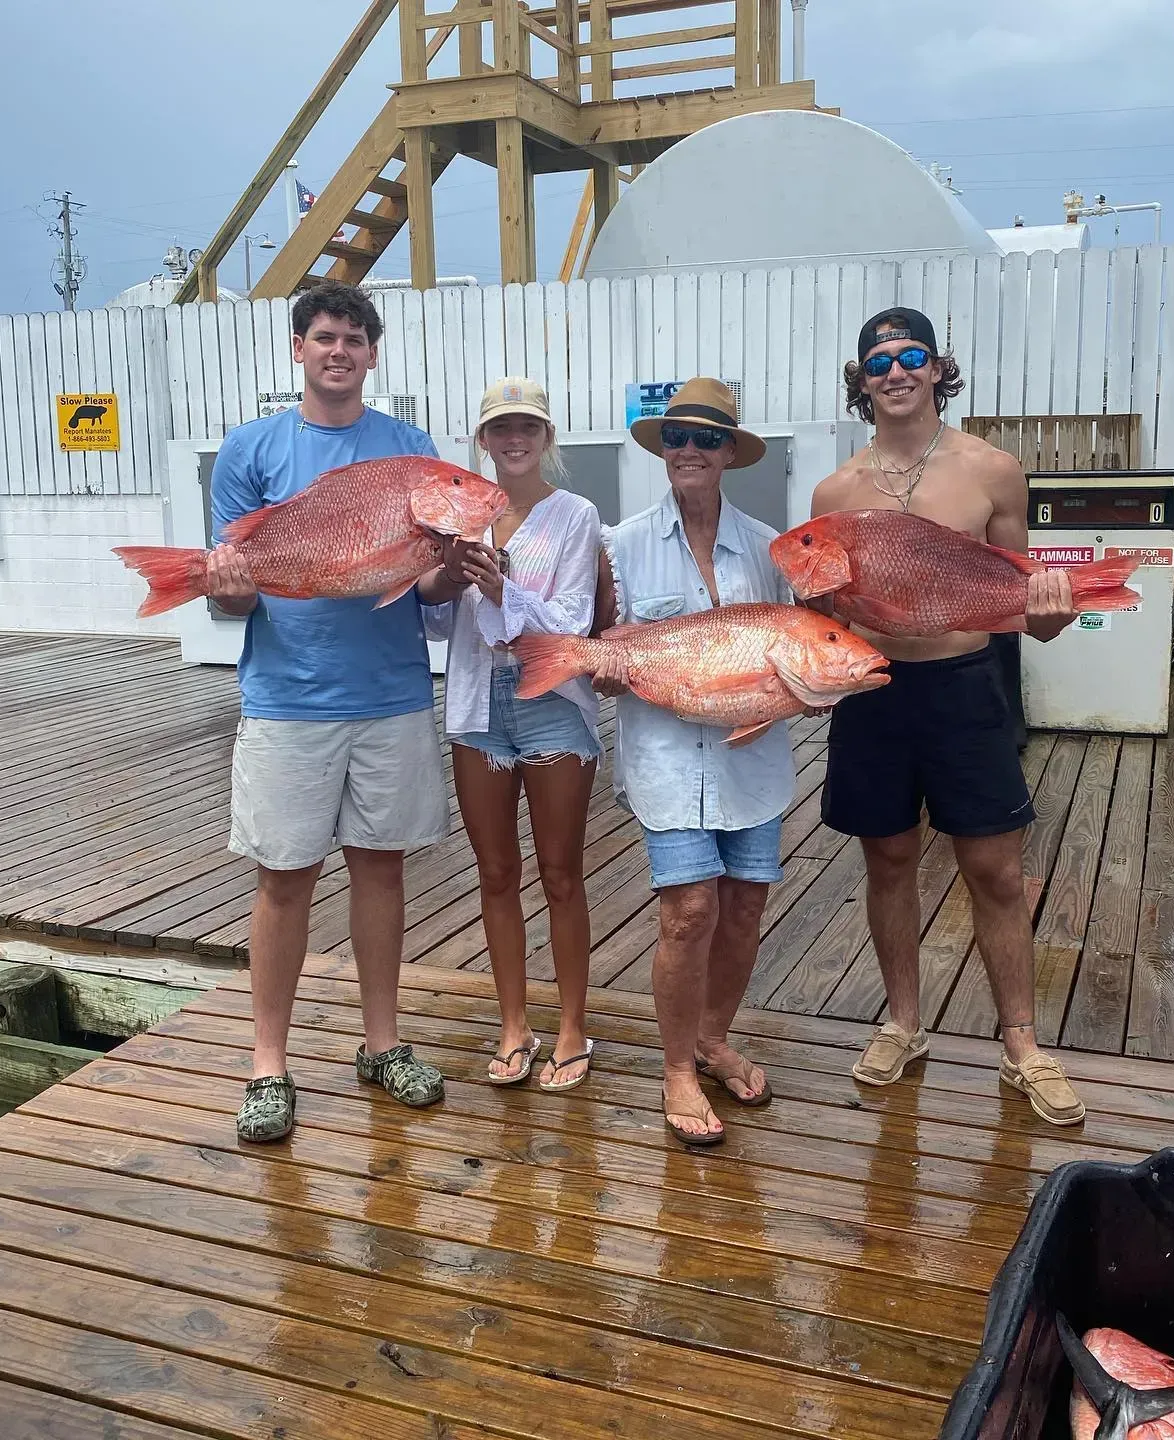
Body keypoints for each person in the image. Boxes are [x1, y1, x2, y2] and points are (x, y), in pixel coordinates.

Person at [809, 307, 1087, 1127]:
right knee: (888, 861)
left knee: (996, 871)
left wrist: (1055, 610)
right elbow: (835, 607)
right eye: (879, 360)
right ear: (861, 382)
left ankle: (1023, 1045)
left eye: (911, 356)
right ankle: (903, 1023)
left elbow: (1019, 602)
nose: (895, 371)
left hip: (969, 686)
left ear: (937, 368)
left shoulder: (993, 470)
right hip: (874, 691)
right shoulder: (836, 491)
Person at [207, 279, 464, 1142]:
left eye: (354, 338)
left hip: (390, 696)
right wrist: (227, 585)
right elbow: (236, 604)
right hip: (286, 699)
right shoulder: (250, 450)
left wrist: (455, 572)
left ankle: (381, 1044)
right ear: (298, 348)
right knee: (282, 878)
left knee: (382, 868)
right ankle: (267, 1065)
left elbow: (424, 590)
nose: (339, 351)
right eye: (324, 337)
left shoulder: (410, 449)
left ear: (373, 353)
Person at [594, 378, 796, 1146]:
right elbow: (599, 637)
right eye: (677, 437)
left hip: (754, 762)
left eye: (707, 439)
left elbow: (798, 648)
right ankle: (677, 1067)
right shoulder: (620, 544)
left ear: (729, 455)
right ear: (662, 448)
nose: (689, 450)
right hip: (667, 760)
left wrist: (802, 691)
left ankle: (714, 1037)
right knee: (689, 913)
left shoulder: (771, 549)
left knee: (744, 907)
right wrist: (602, 664)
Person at [424, 378, 603, 1092]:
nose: (514, 438)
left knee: (561, 873)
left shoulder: (577, 515)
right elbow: (437, 618)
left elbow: (572, 619)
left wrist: (502, 589)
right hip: (477, 700)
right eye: (501, 428)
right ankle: (511, 1024)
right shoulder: (461, 516)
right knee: (496, 873)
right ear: (484, 441)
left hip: (553, 699)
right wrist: (441, 572)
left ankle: (570, 1027)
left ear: (546, 437)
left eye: (527, 426)